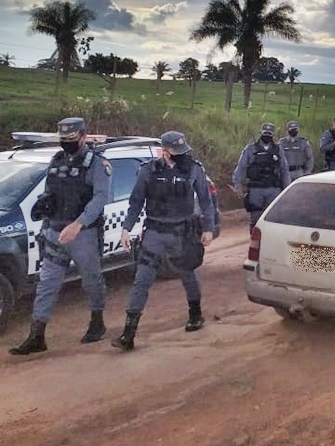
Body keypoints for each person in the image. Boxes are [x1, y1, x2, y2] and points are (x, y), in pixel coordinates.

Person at [9, 118, 112, 355]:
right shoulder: (56, 161)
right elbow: (49, 193)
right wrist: (43, 213)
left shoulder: (96, 164)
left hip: (83, 234)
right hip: (54, 232)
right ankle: (37, 335)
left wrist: (79, 224)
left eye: (71, 139)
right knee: (47, 284)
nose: (67, 143)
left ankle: (97, 321)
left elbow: (100, 198)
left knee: (91, 280)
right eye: (63, 139)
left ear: (83, 137)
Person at [112, 131, 216, 351]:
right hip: (155, 232)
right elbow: (136, 201)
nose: (180, 155)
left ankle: (195, 315)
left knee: (189, 276)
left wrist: (208, 228)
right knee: (142, 280)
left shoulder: (194, 169)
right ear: (163, 151)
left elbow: (206, 201)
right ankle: (128, 334)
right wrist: (126, 229)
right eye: (174, 152)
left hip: (183, 233)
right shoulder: (148, 170)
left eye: (182, 151)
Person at [233, 123, 291, 231]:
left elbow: (284, 170)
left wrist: (287, 188)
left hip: (273, 189)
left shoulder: (278, 150)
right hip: (256, 190)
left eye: (269, 134)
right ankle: (255, 244)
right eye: (265, 133)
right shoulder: (250, 149)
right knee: (255, 220)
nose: (267, 136)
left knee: (273, 219)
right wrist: (238, 184)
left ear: (273, 135)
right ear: (261, 133)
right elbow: (241, 167)